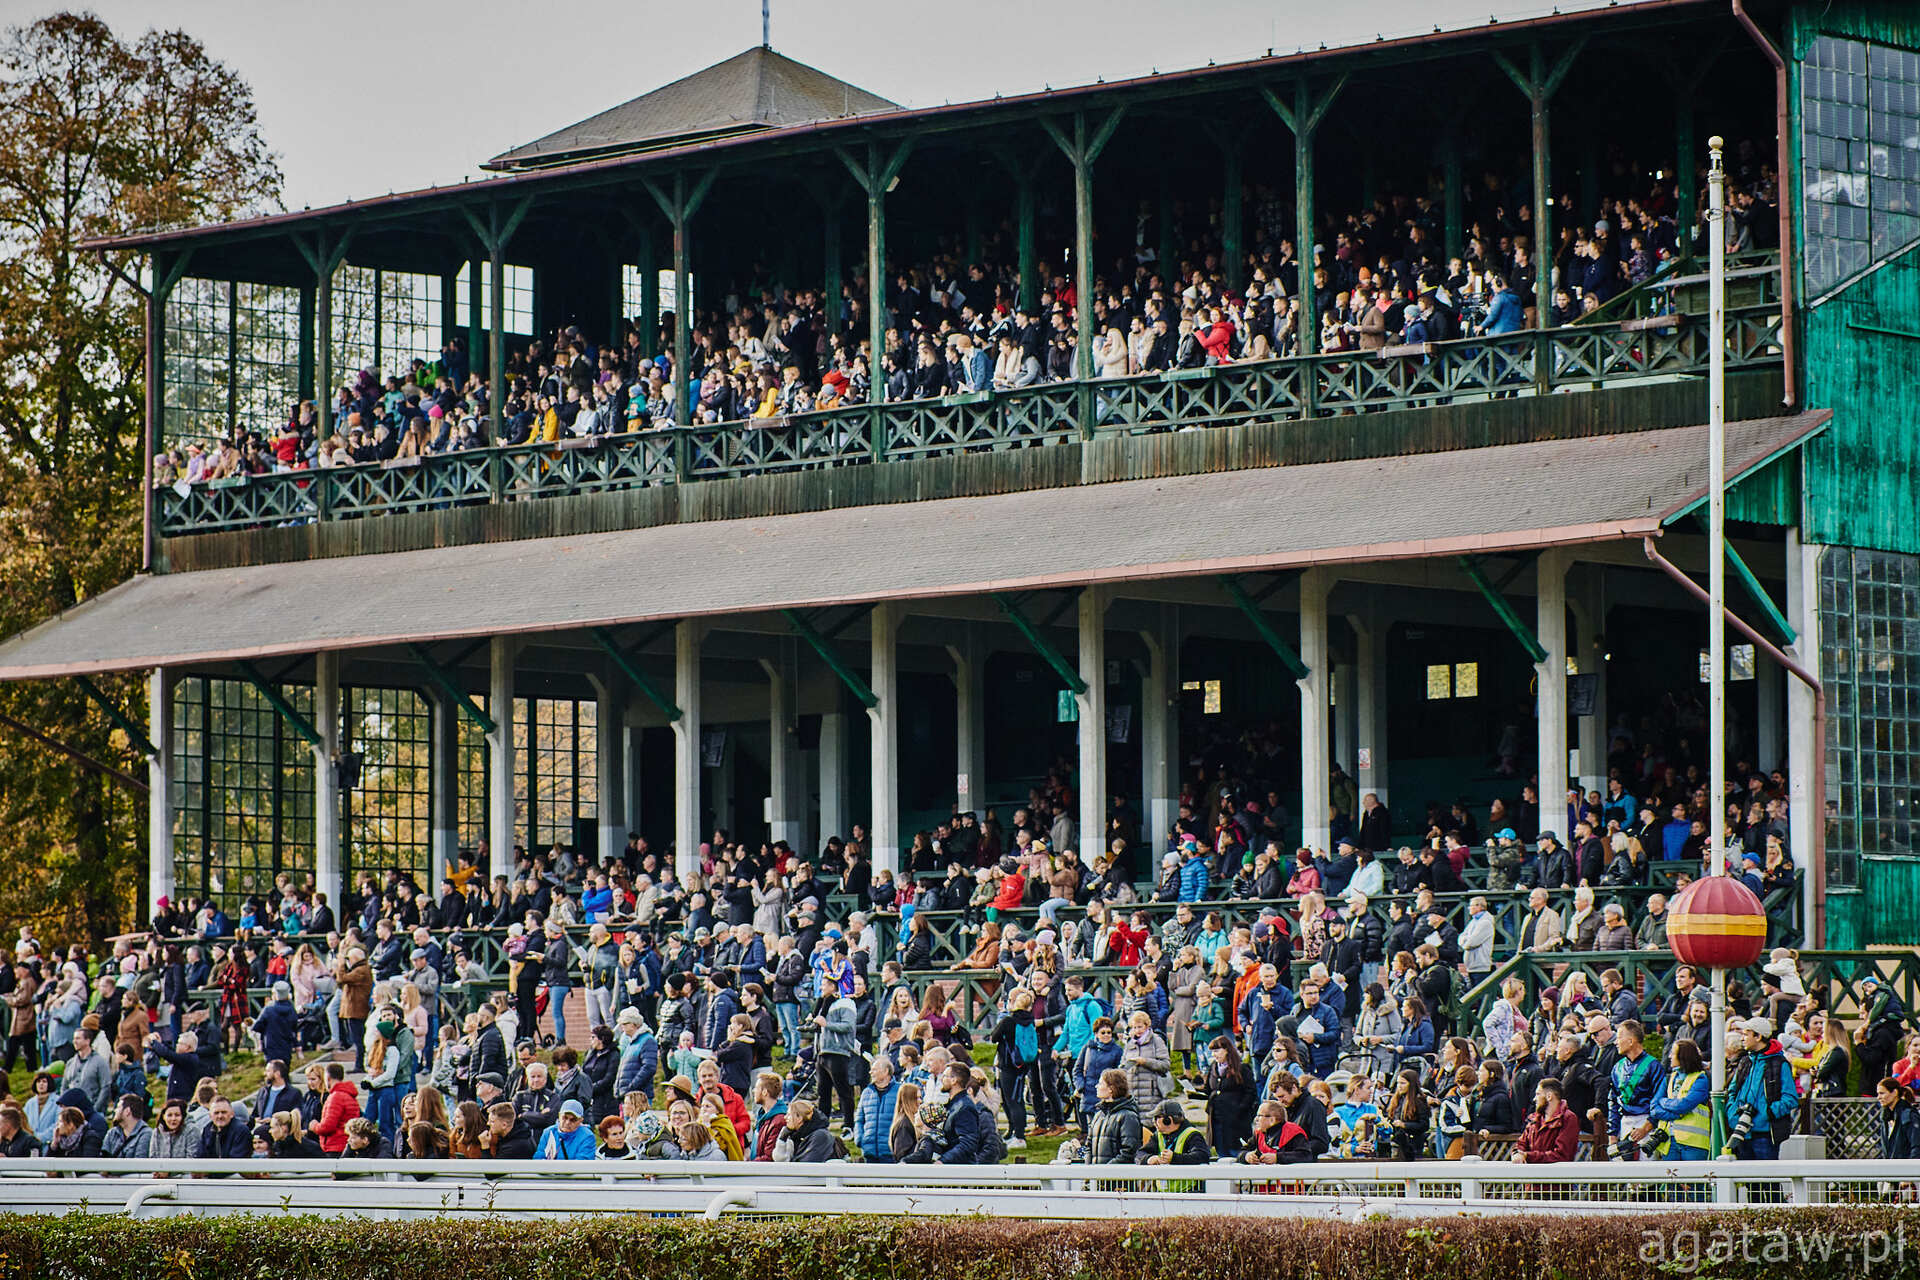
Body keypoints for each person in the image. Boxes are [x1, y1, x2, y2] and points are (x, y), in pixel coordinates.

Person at [1723, 1017, 1798, 1160]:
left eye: (1746, 1034)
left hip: (1765, 1133)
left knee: (1768, 1180)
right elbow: (1732, 1091)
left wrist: (1767, 1113)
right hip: (1741, 1131)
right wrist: (1733, 1112)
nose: (1742, 1038)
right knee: (1747, 1180)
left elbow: (1791, 1098)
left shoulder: (1780, 1063)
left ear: (1758, 1036)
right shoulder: (1745, 1061)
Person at [1645, 1036, 1712, 1160]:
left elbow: (1683, 1106)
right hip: (1668, 1141)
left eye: (1673, 1053)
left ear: (1683, 1057)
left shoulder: (1700, 1078)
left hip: (1693, 1144)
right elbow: (1654, 1108)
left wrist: (1663, 1101)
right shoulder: (1669, 1078)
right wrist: (1675, 1115)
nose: (1669, 1056)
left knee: (1693, 1179)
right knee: (1671, 1179)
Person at [1194, 1035, 1255, 1157]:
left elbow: (1251, 1092)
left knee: (1236, 1153)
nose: (1214, 1054)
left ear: (1227, 1050)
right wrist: (1194, 1091)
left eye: (1217, 1051)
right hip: (1217, 1118)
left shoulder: (1242, 1068)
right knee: (1221, 1152)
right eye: (1212, 1051)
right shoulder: (1213, 1067)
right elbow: (1208, 1089)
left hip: (1236, 1120)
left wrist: (1240, 1108)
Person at [1512, 1078, 1580, 1163]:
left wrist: (1527, 1155)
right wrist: (1517, 1153)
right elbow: (1521, 1143)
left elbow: (1562, 1155)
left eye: (1538, 1094)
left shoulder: (1568, 1118)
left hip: (1557, 1174)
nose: (1534, 1099)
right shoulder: (1535, 1118)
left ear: (1549, 1096)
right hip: (1532, 1172)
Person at [853, 1053, 901, 1163]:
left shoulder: (900, 1090)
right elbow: (859, 1119)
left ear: (885, 1072)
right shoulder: (866, 1092)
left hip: (891, 1153)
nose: (870, 1072)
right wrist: (860, 1139)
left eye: (874, 1070)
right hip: (869, 1152)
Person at [1137, 1098, 1210, 1165]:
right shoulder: (1158, 1135)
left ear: (1168, 1120)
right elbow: (1140, 1153)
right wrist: (1148, 1158)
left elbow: (1202, 1156)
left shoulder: (1192, 1135)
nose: (1154, 1122)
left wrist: (1174, 1158)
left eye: (1157, 1118)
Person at [1878, 1078, 1920, 1159]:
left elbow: (1917, 1145)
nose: (1878, 1097)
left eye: (1882, 1093)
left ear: (1894, 1093)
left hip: (1908, 1168)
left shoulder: (1909, 1115)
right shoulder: (1884, 1117)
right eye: (1878, 1094)